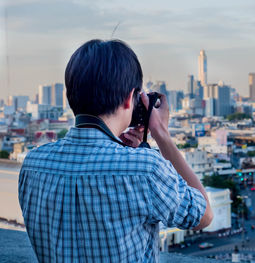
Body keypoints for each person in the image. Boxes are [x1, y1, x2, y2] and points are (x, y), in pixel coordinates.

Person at [18, 39, 213, 263]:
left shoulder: (33, 164)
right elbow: (204, 215)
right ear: (130, 99)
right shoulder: (145, 169)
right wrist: (162, 134)